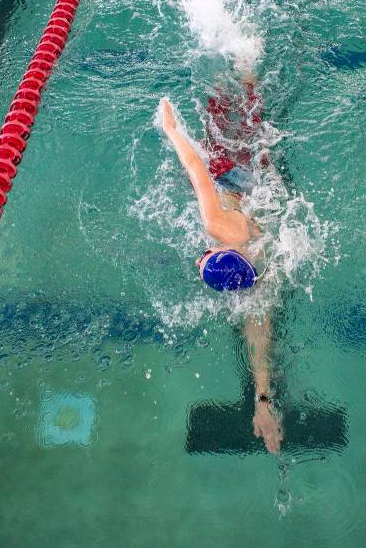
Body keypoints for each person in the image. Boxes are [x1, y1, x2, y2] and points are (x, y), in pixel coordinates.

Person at [157, 74, 284, 455]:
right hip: (232, 171)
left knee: (254, 119)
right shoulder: (217, 225)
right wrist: (172, 129)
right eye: (205, 259)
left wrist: (264, 399)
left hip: (259, 181)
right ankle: (242, 66)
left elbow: (259, 326)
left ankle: (246, 70)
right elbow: (196, 166)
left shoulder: (258, 264)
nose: (199, 258)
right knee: (230, 101)